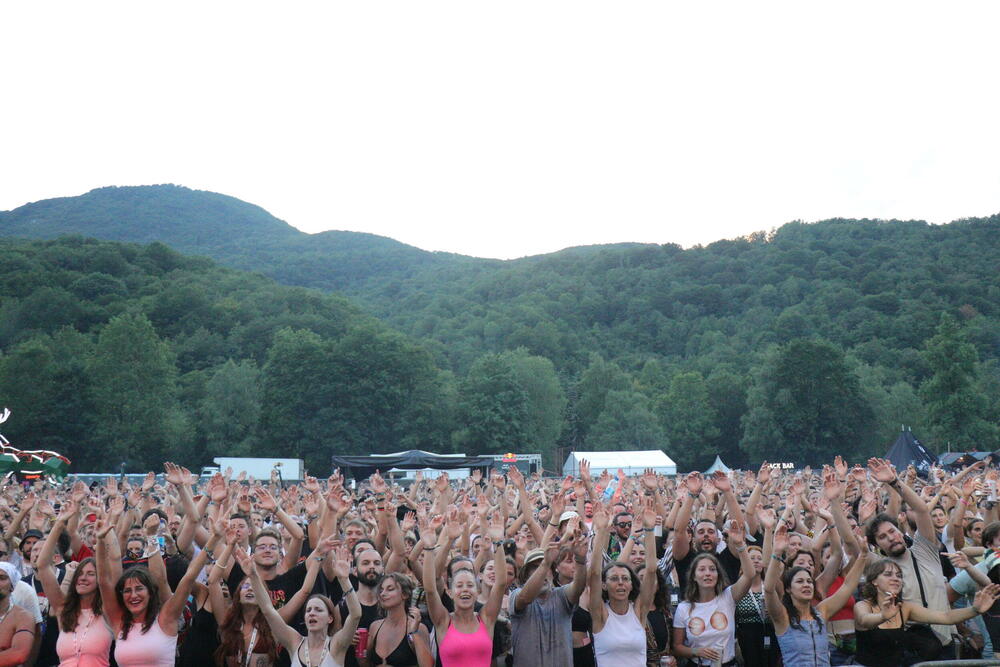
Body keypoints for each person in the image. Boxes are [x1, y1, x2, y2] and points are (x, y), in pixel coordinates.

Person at [96, 463, 223, 667]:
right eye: (127, 591)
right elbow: (103, 582)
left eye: (139, 589)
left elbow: (183, 577)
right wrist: (101, 542)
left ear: (150, 592)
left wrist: (215, 538)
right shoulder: (119, 621)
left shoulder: (166, 618)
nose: (133, 595)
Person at [854, 558, 1000, 667]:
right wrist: (882, 616)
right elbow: (864, 619)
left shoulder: (904, 607)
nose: (895, 578)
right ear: (874, 581)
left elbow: (946, 617)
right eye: (888, 574)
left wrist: (974, 609)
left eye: (899, 575)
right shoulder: (863, 605)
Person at [763, 524, 864, 667]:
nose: (806, 585)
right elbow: (768, 589)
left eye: (809, 581)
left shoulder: (821, 611)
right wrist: (777, 552)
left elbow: (847, 587)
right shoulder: (782, 616)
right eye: (799, 581)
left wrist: (864, 556)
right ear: (788, 589)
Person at [251, 542, 361, 667]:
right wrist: (253, 576)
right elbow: (267, 610)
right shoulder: (294, 642)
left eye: (318, 610)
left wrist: (344, 580)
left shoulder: (337, 644)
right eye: (308, 610)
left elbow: (356, 615)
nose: (312, 613)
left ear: (330, 618)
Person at [423, 510, 508, 667]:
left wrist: (498, 543)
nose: (465, 590)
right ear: (449, 592)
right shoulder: (443, 621)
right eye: (459, 586)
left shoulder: (486, 619)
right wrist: (428, 549)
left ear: (477, 592)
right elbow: (430, 589)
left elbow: (501, 583)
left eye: (470, 585)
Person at [37, 499, 114, 667]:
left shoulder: (108, 611)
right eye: (80, 574)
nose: (83, 578)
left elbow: (105, 580)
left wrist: (100, 541)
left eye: (90, 574)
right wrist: (58, 523)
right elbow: (42, 566)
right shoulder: (63, 610)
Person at [671, 519, 755, 667]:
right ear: (694, 577)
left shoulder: (728, 597)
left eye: (712, 569)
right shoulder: (683, 608)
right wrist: (696, 651)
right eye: (702, 570)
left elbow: (749, 575)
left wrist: (741, 545)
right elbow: (677, 647)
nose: (708, 574)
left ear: (718, 575)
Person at [588, 497, 657, 667]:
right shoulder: (600, 613)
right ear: (604, 585)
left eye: (625, 578)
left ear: (632, 585)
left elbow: (651, 570)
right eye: (613, 578)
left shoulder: (639, 611)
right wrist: (601, 530)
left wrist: (649, 530)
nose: (620, 583)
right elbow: (595, 573)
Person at [366, 572, 432, 667]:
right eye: (381, 590)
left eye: (390, 589)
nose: (383, 594)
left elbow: (428, 665)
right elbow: (364, 663)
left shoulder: (418, 628)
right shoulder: (375, 627)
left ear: (405, 594)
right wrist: (359, 648)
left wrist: (414, 634)